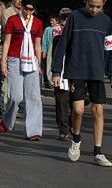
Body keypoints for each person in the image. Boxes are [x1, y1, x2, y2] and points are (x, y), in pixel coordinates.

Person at [52, 0, 112, 167]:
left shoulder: (106, 21)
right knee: (79, 110)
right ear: (85, 1)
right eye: (91, 6)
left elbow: (110, 49)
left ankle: (98, 151)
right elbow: (62, 45)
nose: (94, 10)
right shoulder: (74, 17)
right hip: (77, 70)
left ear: (104, 4)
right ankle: (76, 138)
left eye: (98, 6)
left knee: (98, 110)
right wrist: (57, 71)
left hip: (96, 71)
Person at [0, 0, 44, 140]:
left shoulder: (37, 23)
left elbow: (38, 44)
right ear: (22, 7)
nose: (28, 12)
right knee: (16, 97)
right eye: (26, 8)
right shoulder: (13, 20)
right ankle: (7, 120)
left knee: (33, 96)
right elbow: (7, 42)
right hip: (15, 59)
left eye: (31, 10)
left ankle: (33, 131)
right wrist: (3, 63)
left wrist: (39, 64)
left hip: (31, 61)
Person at [51, 8, 73, 140]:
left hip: (74, 75)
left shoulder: (77, 37)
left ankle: (71, 125)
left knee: (75, 104)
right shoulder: (57, 39)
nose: (65, 22)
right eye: (63, 19)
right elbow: (54, 57)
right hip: (60, 74)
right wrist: (54, 73)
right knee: (61, 102)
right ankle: (63, 129)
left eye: (68, 19)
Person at [42, 15, 58, 87]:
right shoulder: (47, 29)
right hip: (49, 49)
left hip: (56, 49)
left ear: (57, 21)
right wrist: (44, 50)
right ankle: (49, 80)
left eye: (53, 21)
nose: (51, 22)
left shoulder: (58, 28)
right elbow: (44, 40)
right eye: (51, 20)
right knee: (48, 64)